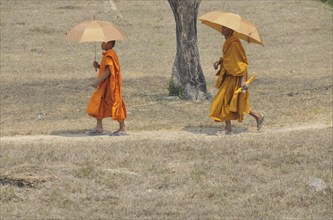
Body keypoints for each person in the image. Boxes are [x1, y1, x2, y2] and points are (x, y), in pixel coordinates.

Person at [210, 26, 264, 134]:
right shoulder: (228, 42)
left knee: (225, 100)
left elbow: (240, 63)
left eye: (225, 28)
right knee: (231, 101)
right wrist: (220, 62)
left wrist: (242, 81)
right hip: (229, 76)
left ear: (231, 30)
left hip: (236, 77)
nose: (222, 29)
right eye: (222, 27)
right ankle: (258, 116)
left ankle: (229, 128)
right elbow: (229, 59)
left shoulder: (234, 43)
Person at [86, 40, 127, 136]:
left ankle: (123, 127)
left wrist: (97, 82)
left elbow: (109, 72)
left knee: (115, 103)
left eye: (103, 42)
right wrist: (98, 66)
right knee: (99, 103)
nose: (101, 44)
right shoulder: (106, 55)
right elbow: (106, 69)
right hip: (104, 86)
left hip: (111, 86)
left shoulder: (110, 55)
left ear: (109, 44)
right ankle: (99, 127)